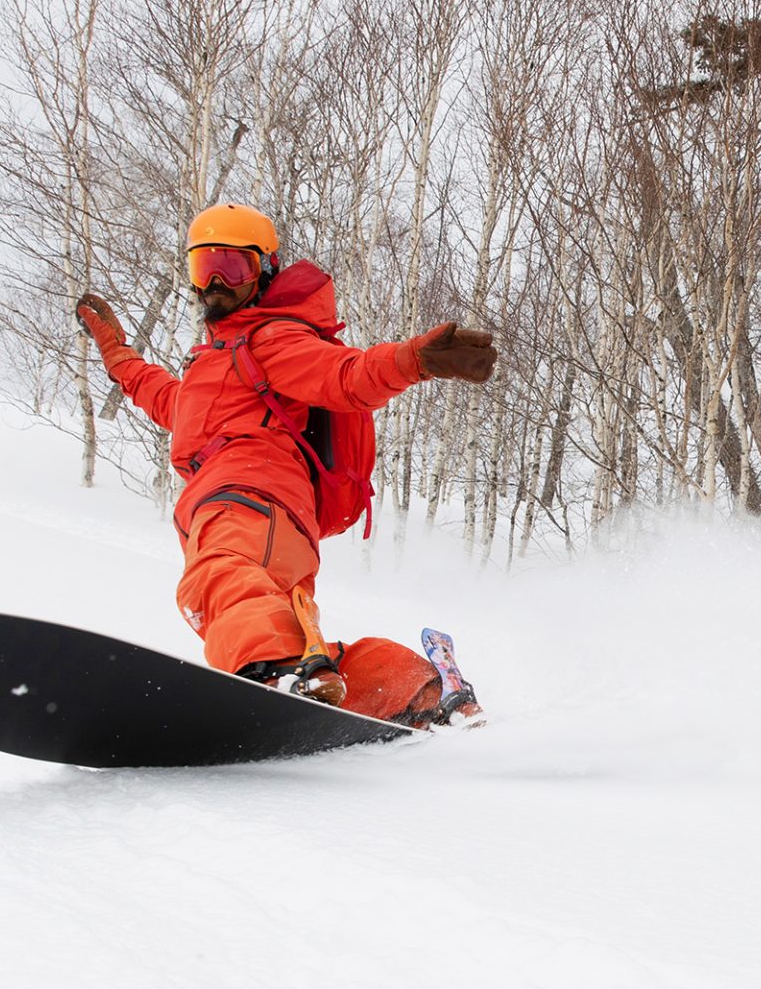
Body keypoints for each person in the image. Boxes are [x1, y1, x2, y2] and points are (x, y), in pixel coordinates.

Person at [74, 203, 497, 728]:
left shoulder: (272, 339)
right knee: (276, 618)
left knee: (217, 580)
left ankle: (276, 670)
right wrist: (116, 355)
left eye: (233, 268)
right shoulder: (216, 362)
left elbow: (346, 376)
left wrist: (414, 359)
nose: (215, 285)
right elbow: (166, 398)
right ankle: (413, 694)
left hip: (248, 495)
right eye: (203, 268)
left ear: (265, 271)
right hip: (275, 520)